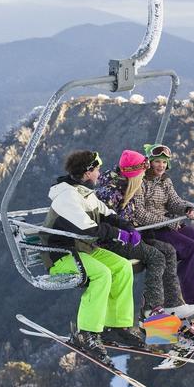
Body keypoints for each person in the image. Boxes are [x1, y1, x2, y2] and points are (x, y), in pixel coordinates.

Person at [39, 149, 146, 366]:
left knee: (122, 267)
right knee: (102, 275)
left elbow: (107, 214)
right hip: (61, 255)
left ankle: (116, 326)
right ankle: (86, 333)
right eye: (96, 169)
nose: (99, 173)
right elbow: (90, 229)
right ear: (88, 172)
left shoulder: (83, 192)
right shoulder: (66, 197)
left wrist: (126, 227)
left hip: (82, 250)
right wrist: (120, 235)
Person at [95, 149, 194, 325]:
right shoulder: (112, 192)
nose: (144, 177)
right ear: (135, 173)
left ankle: (173, 303)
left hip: (132, 234)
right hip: (114, 241)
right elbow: (105, 221)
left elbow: (133, 215)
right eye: (142, 173)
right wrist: (125, 232)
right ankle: (152, 309)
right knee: (156, 256)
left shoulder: (129, 185)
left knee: (168, 250)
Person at [127, 143, 194, 307]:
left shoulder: (164, 181)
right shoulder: (141, 183)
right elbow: (140, 214)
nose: (161, 166)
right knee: (190, 248)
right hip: (154, 230)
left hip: (171, 224)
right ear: (149, 162)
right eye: (157, 162)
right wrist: (165, 222)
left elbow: (174, 202)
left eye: (164, 163)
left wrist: (186, 208)